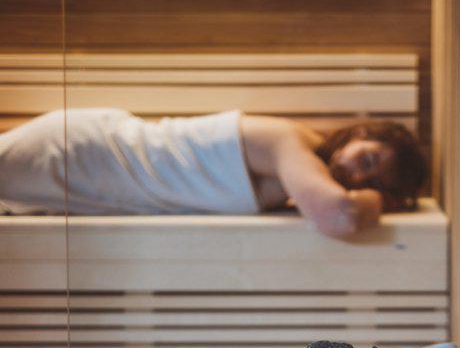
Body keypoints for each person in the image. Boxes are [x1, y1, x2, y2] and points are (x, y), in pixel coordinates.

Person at [0, 108, 427, 239]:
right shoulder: (289, 143)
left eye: (370, 181)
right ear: (358, 132)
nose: (355, 176)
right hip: (92, 152)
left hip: (102, 183)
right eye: (367, 159)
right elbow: (339, 217)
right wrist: (375, 201)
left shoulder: (301, 171)